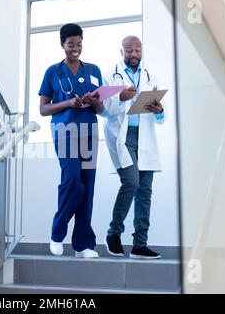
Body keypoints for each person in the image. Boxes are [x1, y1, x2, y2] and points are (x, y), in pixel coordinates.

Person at [39, 23, 104, 258]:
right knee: (72, 182)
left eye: (78, 44)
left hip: (89, 132)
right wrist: (68, 103)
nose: (75, 49)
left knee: (87, 187)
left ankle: (83, 244)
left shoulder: (94, 70)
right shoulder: (52, 72)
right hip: (65, 132)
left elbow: (99, 108)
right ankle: (57, 234)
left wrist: (95, 100)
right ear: (62, 45)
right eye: (70, 45)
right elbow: (43, 109)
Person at [101, 36, 166, 259]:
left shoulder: (150, 77)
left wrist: (159, 110)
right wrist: (119, 96)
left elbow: (161, 118)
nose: (134, 54)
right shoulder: (110, 75)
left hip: (145, 137)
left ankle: (139, 245)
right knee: (131, 181)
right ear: (122, 52)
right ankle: (113, 234)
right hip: (122, 136)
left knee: (145, 191)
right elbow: (101, 108)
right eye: (129, 50)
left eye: (138, 49)